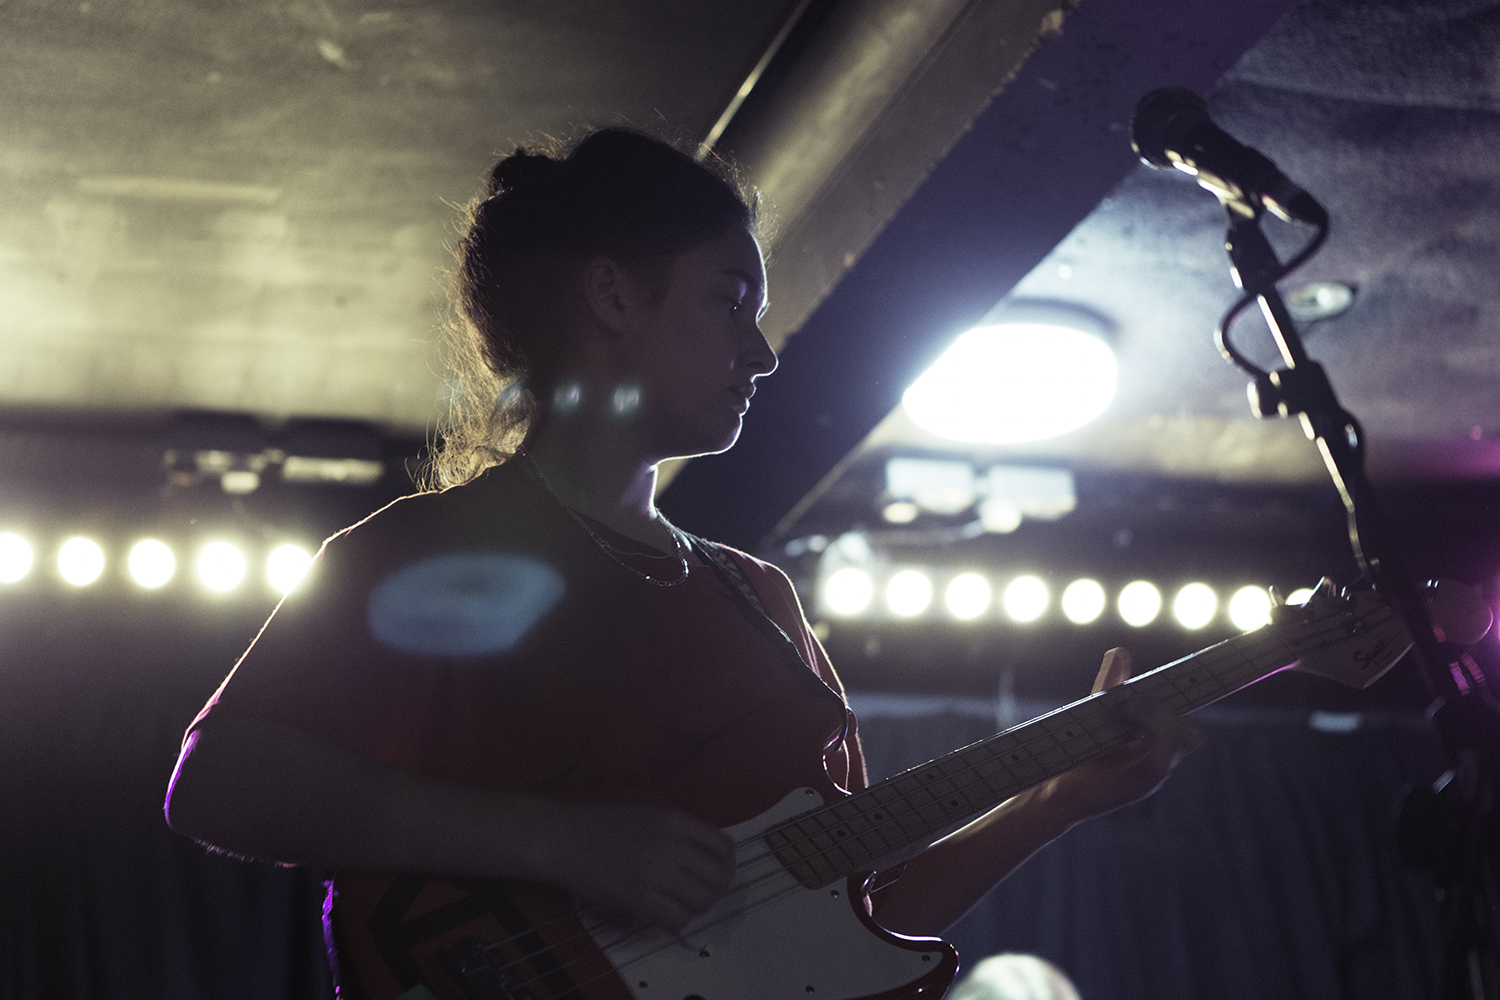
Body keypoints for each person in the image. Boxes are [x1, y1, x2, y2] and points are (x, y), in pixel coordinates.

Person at [164, 128, 1200, 999]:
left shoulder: (762, 599)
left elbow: (841, 931)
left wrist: (1052, 801)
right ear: (613, 295)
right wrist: (560, 844)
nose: (764, 351)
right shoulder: (416, 552)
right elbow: (216, 784)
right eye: (729, 297)